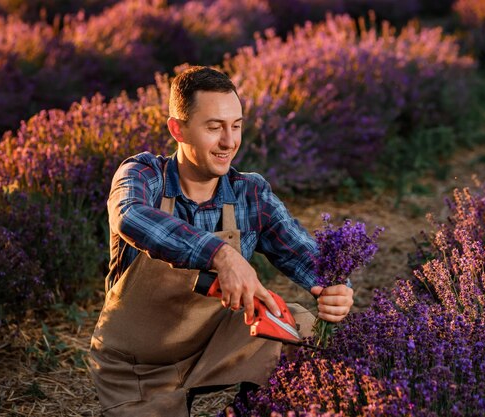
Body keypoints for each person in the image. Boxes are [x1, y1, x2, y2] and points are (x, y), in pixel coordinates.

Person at [88, 66, 353, 417]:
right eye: (214, 127)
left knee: (300, 327)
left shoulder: (250, 191)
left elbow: (311, 260)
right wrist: (221, 255)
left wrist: (335, 287)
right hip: (137, 367)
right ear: (177, 129)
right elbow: (129, 215)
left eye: (236, 125)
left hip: (214, 347)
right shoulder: (143, 175)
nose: (229, 141)